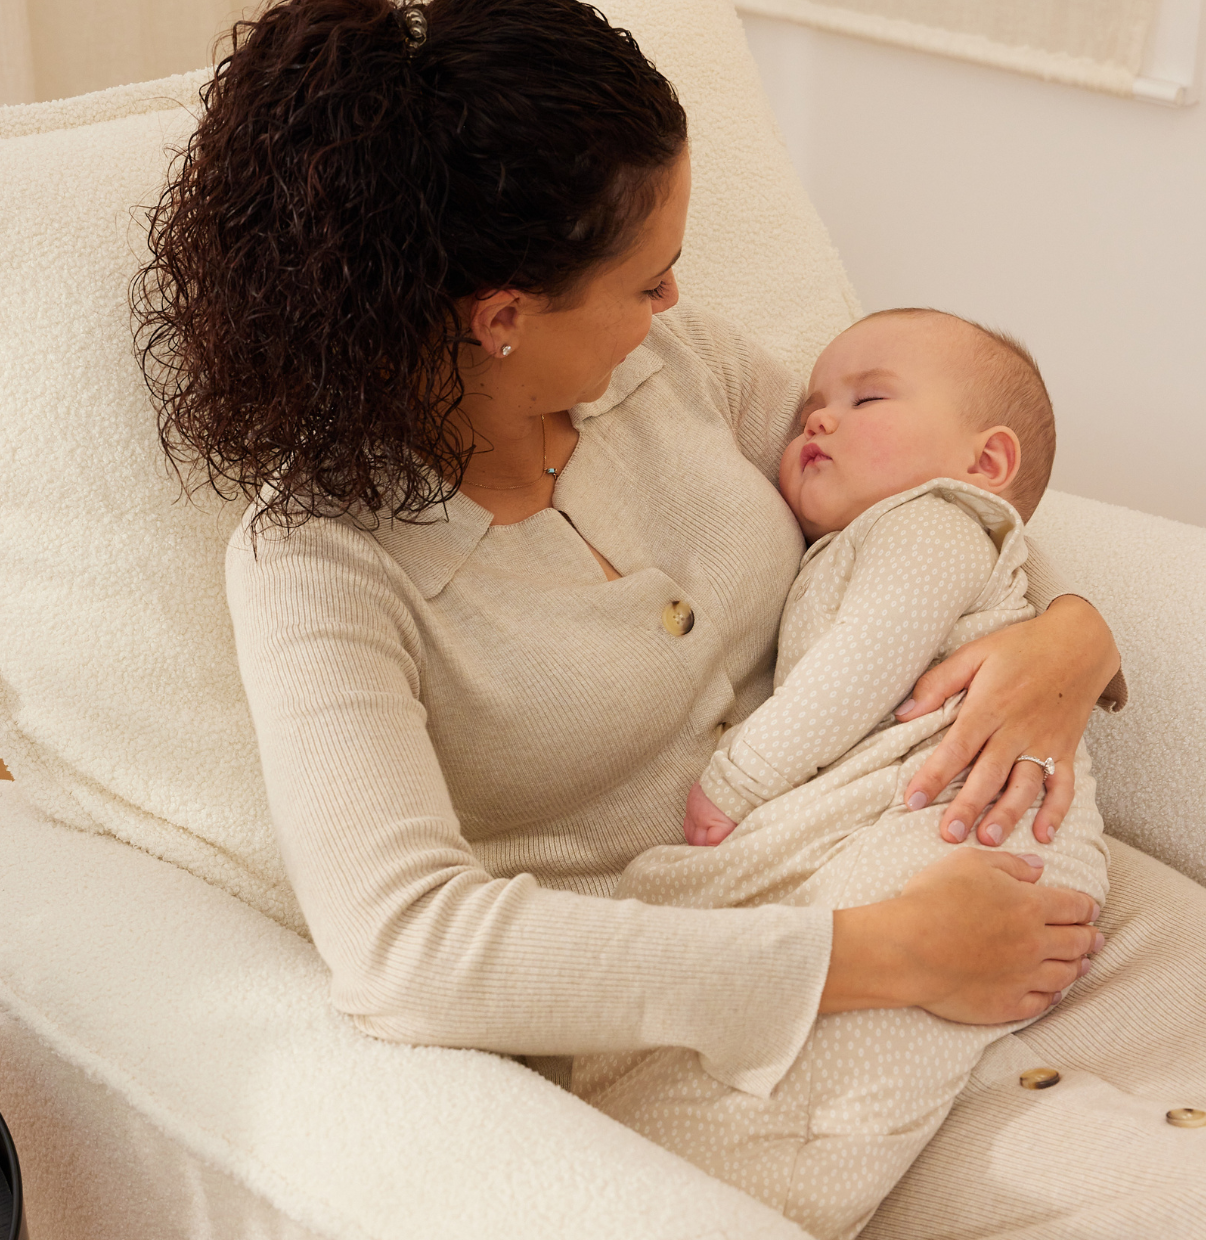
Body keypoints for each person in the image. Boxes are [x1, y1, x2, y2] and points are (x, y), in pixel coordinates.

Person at [132, 0, 1121, 1218]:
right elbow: (408, 951)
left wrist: (1071, 634)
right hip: (701, 1025)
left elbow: (929, 499)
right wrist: (864, 956)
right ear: (502, 319)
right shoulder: (321, 566)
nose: (674, 301)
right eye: (647, 279)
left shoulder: (674, 366)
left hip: (898, 853)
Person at [572, 307, 1109, 1239]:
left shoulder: (935, 524)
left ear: (985, 466)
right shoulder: (878, 530)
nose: (815, 419)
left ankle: (775, 1188)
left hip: (973, 820)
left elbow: (860, 663)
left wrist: (736, 780)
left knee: (866, 1037)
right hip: (915, 814)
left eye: (866, 399)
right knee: (813, 950)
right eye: (813, 403)